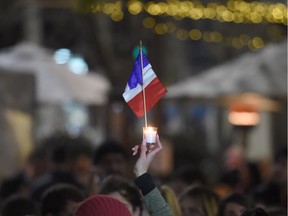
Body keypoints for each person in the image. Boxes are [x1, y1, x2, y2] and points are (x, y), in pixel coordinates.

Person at [132, 135, 173, 216]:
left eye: (163, 155)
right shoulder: (135, 186)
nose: (159, 159)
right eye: (156, 155)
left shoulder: (173, 185)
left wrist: (141, 174)